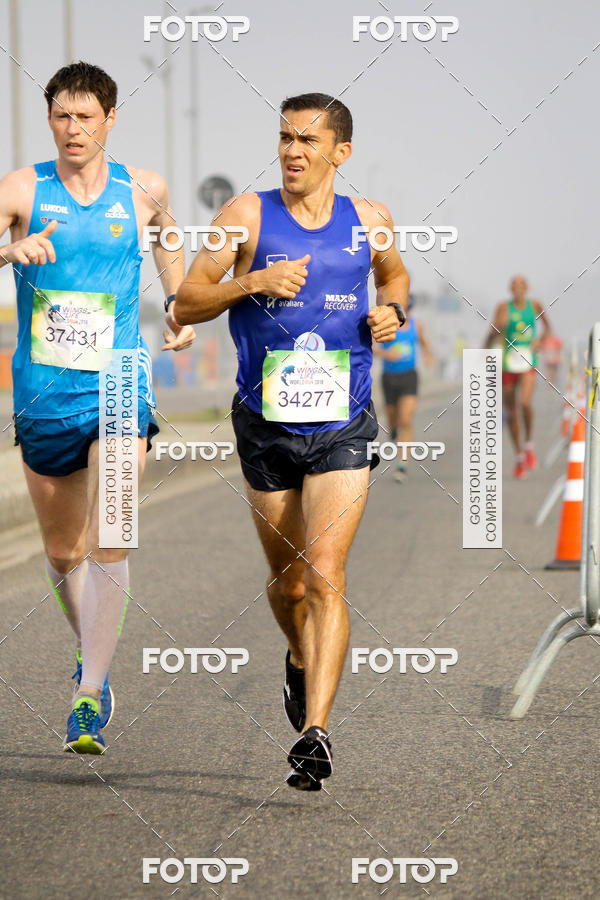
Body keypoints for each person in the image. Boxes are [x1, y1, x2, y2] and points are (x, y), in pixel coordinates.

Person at [175, 92, 409, 790]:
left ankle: (316, 732)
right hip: (266, 423)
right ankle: (298, 658)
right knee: (289, 582)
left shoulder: (369, 221)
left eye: (309, 139)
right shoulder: (244, 216)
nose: (292, 150)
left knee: (327, 573)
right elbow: (186, 300)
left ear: (340, 152)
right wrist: (253, 281)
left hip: (343, 419)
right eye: (284, 137)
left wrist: (393, 308)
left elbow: (395, 274)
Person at [0, 62, 195, 753]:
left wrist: (176, 302)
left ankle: (89, 695)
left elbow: (168, 238)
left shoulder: (142, 189)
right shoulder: (22, 189)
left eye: (85, 117)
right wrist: (8, 249)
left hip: (119, 381)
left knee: (112, 531)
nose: (72, 128)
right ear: (49, 119)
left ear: (111, 119)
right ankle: (95, 655)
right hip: (44, 393)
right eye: (61, 116)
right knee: (61, 550)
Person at [485, 275, 550, 479]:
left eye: (521, 286)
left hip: (528, 360)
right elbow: (492, 332)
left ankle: (529, 444)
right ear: (510, 289)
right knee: (511, 412)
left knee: (525, 403)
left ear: (527, 288)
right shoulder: (503, 308)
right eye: (513, 286)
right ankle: (519, 456)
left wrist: (539, 340)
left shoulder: (535, 305)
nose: (517, 289)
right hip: (508, 362)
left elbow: (548, 327)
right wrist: (485, 348)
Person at [373, 294, 433, 481]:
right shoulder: (387, 324)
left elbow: (424, 342)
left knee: (405, 419)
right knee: (393, 419)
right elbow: (371, 346)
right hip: (389, 377)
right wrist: (385, 353)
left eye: (407, 307)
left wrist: (428, 355)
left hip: (409, 376)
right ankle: (393, 430)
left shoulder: (417, 325)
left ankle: (402, 465)